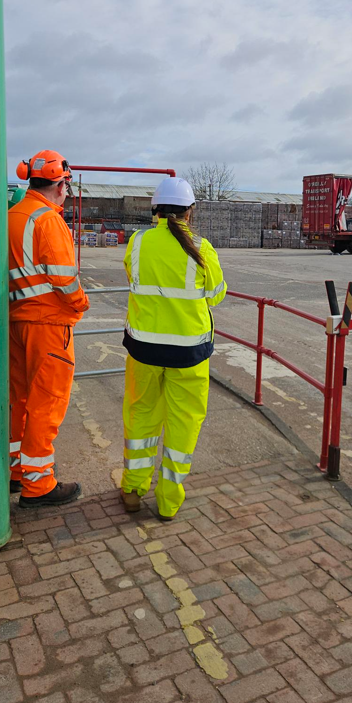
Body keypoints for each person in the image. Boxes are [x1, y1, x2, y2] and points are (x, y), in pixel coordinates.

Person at [121, 177, 227, 520]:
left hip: (143, 351)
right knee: (183, 425)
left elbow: (134, 281)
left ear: (155, 210)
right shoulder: (202, 247)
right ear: (189, 211)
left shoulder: (137, 243)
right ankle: (168, 502)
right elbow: (216, 294)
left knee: (140, 417)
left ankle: (133, 490)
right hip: (189, 355)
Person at [8, 150, 89, 507]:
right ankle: (38, 484)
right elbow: (64, 278)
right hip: (48, 324)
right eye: (67, 186)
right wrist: (80, 303)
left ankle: (15, 471)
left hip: (15, 321)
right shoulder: (48, 219)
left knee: (19, 399)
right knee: (48, 401)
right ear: (59, 184)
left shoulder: (12, 215)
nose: (68, 192)